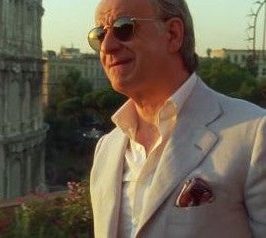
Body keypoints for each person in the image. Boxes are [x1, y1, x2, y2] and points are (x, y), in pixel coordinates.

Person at [87, 0, 266, 237]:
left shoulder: (254, 134)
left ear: (173, 34)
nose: (107, 46)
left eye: (123, 28)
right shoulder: (106, 149)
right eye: (99, 35)